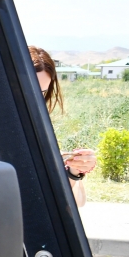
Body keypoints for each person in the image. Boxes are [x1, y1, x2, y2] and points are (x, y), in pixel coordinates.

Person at [29, 46, 96, 207]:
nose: (36, 98)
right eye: (30, 89)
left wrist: (75, 170)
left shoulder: (39, 128)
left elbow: (77, 202)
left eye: (42, 92)